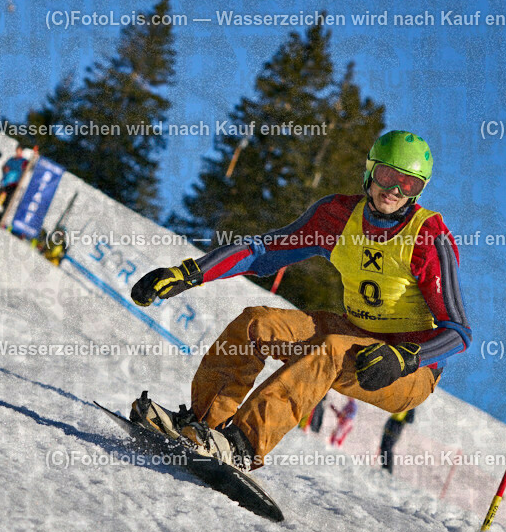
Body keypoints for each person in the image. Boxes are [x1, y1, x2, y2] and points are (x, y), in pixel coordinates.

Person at [129, 130, 471, 471]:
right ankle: (203, 425)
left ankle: (243, 445)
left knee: (332, 350)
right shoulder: (337, 217)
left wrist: (406, 357)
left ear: (419, 190)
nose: (394, 190)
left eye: (408, 184)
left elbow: (458, 331)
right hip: (354, 332)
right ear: (370, 171)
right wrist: (190, 273)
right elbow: (262, 250)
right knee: (257, 323)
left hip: (408, 369)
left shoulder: (428, 238)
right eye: (387, 176)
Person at [0, 146, 28, 223]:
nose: (18, 152)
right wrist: (5, 168)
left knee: (6, 203)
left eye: (19, 151)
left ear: (21, 151)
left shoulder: (23, 161)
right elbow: (4, 166)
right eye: (17, 150)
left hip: (13, 184)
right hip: (5, 182)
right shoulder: (11, 159)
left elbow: (30, 166)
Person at [379, 408, 415, 473]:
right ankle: (384, 468)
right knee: (383, 447)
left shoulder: (411, 407)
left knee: (387, 449)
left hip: (395, 430)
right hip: (389, 427)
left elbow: (410, 420)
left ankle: (388, 470)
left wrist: (402, 420)